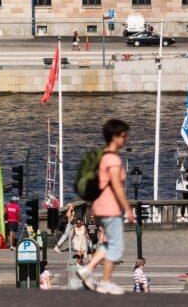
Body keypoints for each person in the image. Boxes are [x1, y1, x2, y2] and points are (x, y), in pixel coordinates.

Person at [76, 119, 134, 295]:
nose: (126, 139)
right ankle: (105, 282)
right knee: (116, 246)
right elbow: (116, 186)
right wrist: (128, 209)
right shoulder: (113, 159)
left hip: (98, 206)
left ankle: (87, 269)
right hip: (111, 208)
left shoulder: (101, 156)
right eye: (123, 136)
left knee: (109, 244)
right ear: (114, 137)